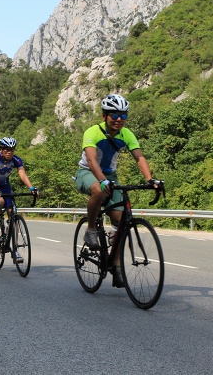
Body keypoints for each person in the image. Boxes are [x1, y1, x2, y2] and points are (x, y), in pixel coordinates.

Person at [74, 93, 161, 288]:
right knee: (97, 189)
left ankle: (117, 265)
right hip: (87, 172)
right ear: (104, 116)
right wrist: (103, 181)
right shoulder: (92, 132)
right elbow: (91, 160)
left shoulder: (127, 134)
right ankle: (90, 229)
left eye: (123, 115)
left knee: (121, 222)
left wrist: (151, 179)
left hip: (110, 176)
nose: (119, 119)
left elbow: (139, 157)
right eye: (114, 115)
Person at [0, 136, 38, 263]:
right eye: (7, 149)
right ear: (1, 149)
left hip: (6, 186)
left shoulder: (16, 160)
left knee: (13, 213)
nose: (9, 152)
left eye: (12, 150)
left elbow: (22, 174)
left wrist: (31, 187)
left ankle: (15, 250)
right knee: (1, 201)